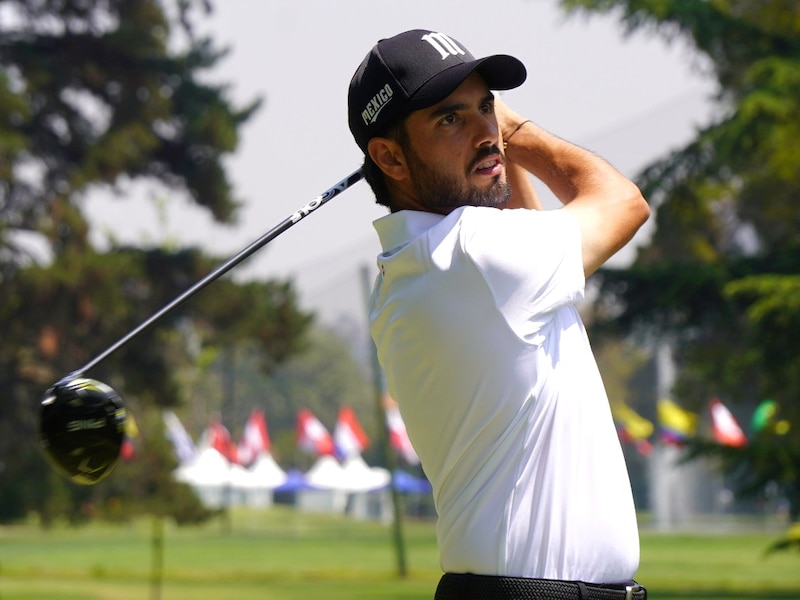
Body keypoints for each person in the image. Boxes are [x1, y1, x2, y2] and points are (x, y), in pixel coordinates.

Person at [347, 29, 651, 600]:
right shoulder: (476, 254)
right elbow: (623, 202)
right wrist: (515, 131)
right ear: (388, 156)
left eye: (487, 106)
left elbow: (527, 228)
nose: (486, 132)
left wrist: (482, 139)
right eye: (450, 119)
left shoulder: (414, 269)